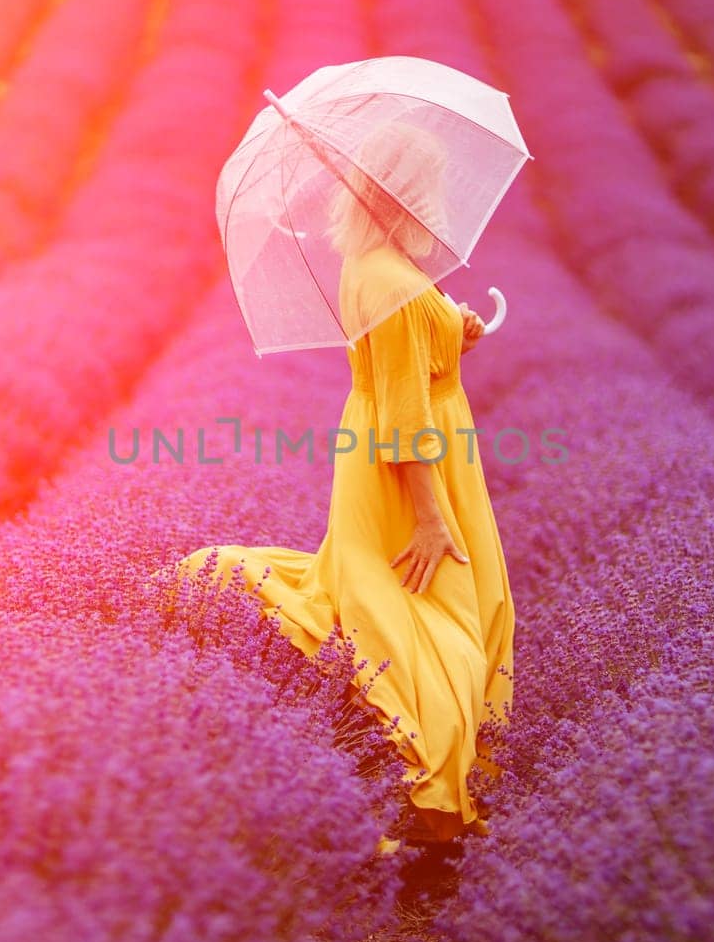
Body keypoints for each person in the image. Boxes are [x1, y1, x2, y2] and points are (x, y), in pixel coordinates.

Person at [174, 122, 515, 849]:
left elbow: (412, 362)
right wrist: (428, 515)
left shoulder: (375, 263)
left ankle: (416, 785)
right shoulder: (388, 279)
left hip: (403, 448)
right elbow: (402, 413)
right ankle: (428, 797)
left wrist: (455, 333)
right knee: (433, 616)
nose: (437, 202)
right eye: (427, 188)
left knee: (402, 599)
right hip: (407, 466)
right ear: (404, 192)